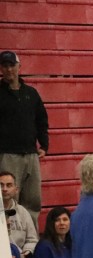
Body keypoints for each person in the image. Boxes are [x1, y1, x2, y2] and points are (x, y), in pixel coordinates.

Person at [0, 51, 48, 225]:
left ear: (19, 67)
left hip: (31, 154)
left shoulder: (31, 93)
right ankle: (8, 238)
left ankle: (31, 237)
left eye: (12, 65)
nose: (9, 69)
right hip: (7, 154)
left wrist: (44, 144)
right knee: (8, 200)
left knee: (33, 201)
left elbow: (41, 119)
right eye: (5, 66)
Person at [1, 170, 38, 258]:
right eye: (1, 185)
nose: (4, 189)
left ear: (16, 190)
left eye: (9, 185)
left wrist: (26, 252)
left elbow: (32, 240)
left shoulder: (23, 212)